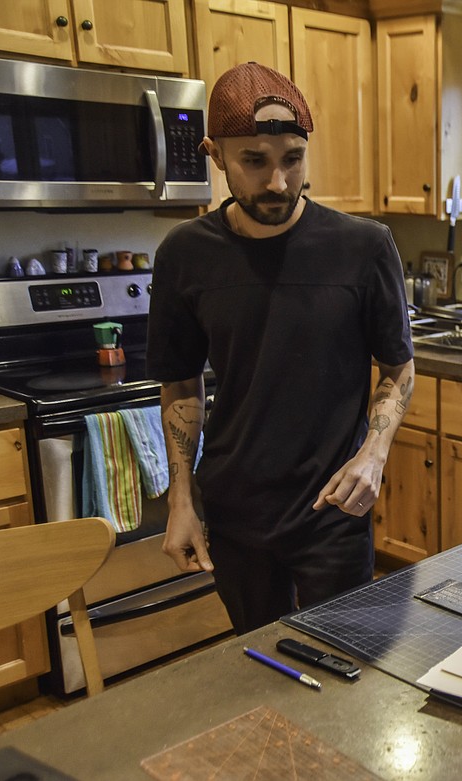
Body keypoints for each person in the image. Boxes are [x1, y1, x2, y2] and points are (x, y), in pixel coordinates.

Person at [147, 62, 415, 633]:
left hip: (334, 508)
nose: (278, 182)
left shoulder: (363, 247)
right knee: (260, 666)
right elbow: (179, 383)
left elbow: (398, 366)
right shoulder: (184, 254)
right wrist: (181, 500)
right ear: (215, 154)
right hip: (235, 510)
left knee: (345, 665)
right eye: (255, 161)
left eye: (292, 158)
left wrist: (374, 454)